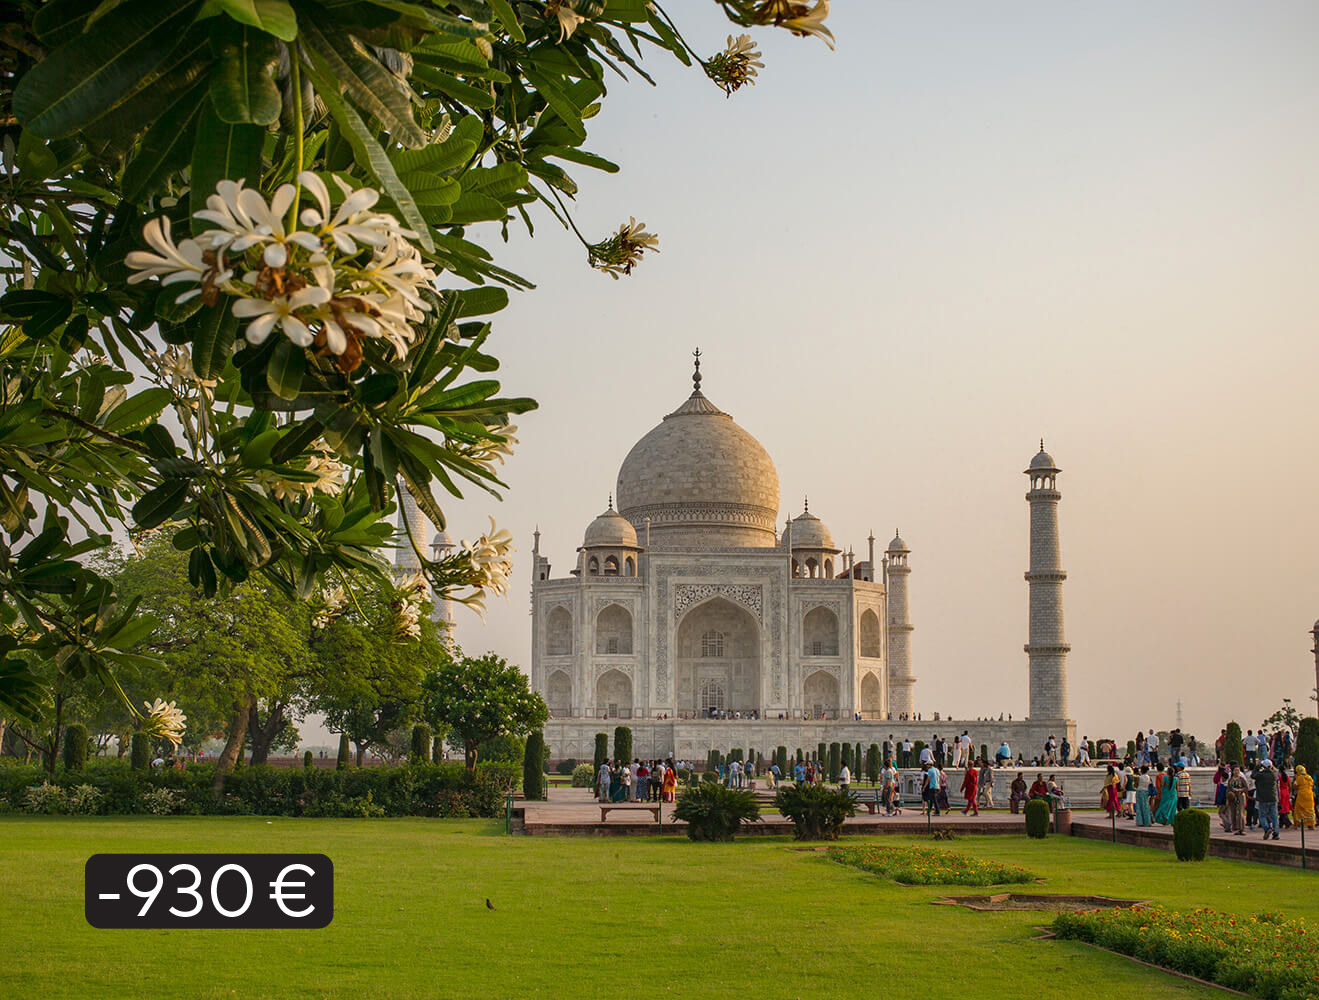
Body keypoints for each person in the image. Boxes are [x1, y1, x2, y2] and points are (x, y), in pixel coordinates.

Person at [1254, 759, 1279, 841]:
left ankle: (1267, 828)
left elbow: (1253, 775)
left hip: (1263, 798)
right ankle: (1276, 833)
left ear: (1263, 766)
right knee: (1274, 816)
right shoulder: (1274, 775)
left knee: (1262, 816)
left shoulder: (1261, 775)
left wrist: (1257, 767)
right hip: (1273, 797)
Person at [1225, 763, 1248, 835]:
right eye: (1235, 770)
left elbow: (1246, 788)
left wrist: (1239, 790)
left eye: (1238, 770)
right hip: (1233, 797)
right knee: (1233, 812)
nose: (1236, 772)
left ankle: (1242, 828)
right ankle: (1235, 827)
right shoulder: (1231, 780)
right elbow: (1228, 789)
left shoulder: (1241, 779)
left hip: (1240, 796)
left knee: (1240, 812)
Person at [1294, 765, 1315, 829]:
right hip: (1309, 794)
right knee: (1309, 809)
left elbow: (1295, 785)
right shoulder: (1309, 777)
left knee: (1299, 809)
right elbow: (1312, 785)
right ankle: (1310, 824)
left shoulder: (1299, 778)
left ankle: (1298, 823)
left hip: (1301, 795)